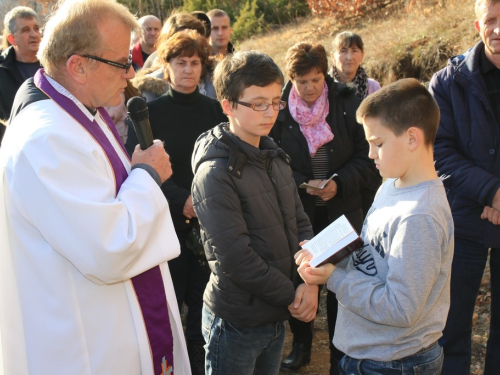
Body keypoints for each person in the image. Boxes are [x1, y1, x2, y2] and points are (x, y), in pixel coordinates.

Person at [0, 0, 190, 374]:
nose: (131, 70)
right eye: (121, 62)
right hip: (87, 344)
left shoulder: (77, 111)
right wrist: (147, 176)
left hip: (109, 322)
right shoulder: (47, 139)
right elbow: (109, 249)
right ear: (78, 66)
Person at [296, 78, 454, 375]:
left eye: (378, 144)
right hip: (370, 353)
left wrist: (333, 279)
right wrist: (326, 254)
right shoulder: (391, 186)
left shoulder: (420, 216)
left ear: (411, 139)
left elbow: (401, 308)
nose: (370, 155)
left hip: (395, 362)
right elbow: (371, 252)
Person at [191, 50, 318, 374]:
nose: (270, 112)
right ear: (228, 105)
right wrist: (294, 294)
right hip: (237, 321)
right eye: (258, 103)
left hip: (275, 314)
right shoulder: (216, 174)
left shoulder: (274, 156)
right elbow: (236, 258)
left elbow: (300, 221)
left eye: (276, 101)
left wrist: (310, 279)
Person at [270, 42, 381, 374]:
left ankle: (338, 353)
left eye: (316, 80)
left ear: (324, 76)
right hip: (298, 211)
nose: (309, 89)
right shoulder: (277, 111)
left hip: (340, 211)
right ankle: (302, 344)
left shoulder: (346, 102)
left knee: (339, 283)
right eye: (302, 82)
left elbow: (367, 156)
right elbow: (273, 158)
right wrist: (303, 181)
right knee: (300, 276)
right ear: (292, 79)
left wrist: (338, 183)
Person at [126, 29, 226, 375]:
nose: (188, 69)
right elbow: (136, 171)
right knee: (167, 313)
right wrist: (181, 199)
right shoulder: (147, 115)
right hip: (162, 224)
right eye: (180, 62)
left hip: (207, 226)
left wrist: (200, 201)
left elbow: (225, 167)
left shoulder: (217, 112)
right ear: (166, 67)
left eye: (195, 62)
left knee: (202, 313)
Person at [429, 0, 500, 373]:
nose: (498, 29)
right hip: (463, 221)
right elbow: (439, 150)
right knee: (450, 326)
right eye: (490, 20)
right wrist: (492, 193)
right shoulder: (448, 81)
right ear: (477, 25)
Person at [135, 13, 217, 100]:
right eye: (180, 40)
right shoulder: (152, 81)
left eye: (194, 38)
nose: (186, 45)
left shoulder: (217, 76)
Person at [0, 6, 41, 145]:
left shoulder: (55, 66)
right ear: (12, 39)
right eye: (25, 30)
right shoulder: (2, 71)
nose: (34, 34)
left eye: (36, 28)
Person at [329, 31, 381, 99]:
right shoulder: (323, 87)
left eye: (354, 51)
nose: (349, 57)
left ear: (362, 55)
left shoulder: (373, 87)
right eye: (343, 51)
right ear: (333, 57)